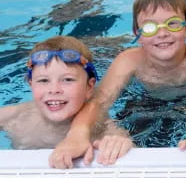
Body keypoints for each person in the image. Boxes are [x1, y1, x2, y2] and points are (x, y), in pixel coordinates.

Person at [51, 0, 186, 168]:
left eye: (172, 23)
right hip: (142, 102)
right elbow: (98, 104)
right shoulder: (128, 61)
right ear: (138, 35)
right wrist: (78, 135)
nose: (162, 33)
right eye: (149, 27)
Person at [0, 36, 133, 168]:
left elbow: (129, 149)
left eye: (67, 80)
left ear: (89, 87)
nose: (54, 90)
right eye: (43, 81)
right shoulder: (16, 116)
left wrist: (118, 144)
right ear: (31, 84)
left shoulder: (99, 126)